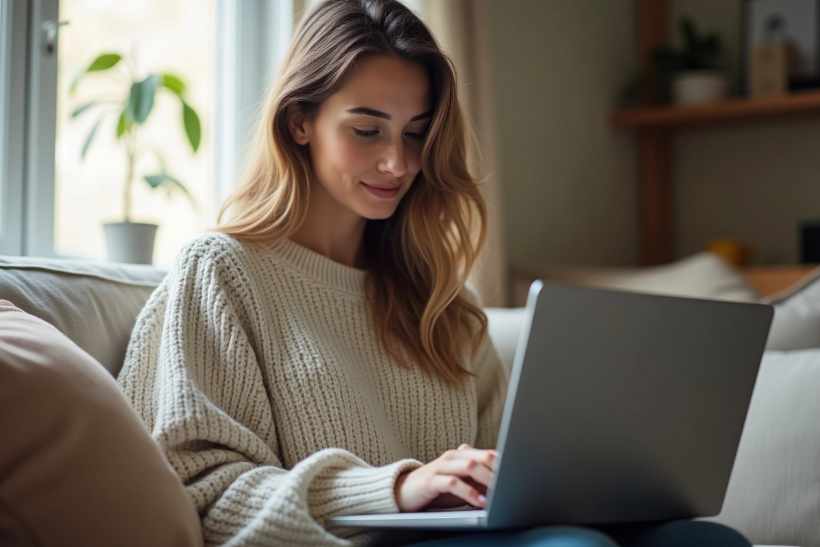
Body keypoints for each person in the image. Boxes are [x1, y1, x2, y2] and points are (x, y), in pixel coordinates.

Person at [117, 1, 753, 546]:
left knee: (707, 540)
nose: (397, 162)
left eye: (417, 134)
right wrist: (397, 488)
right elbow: (203, 491)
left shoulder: (441, 299)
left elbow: (510, 470)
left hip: (467, 535)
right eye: (367, 130)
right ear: (298, 122)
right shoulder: (223, 272)